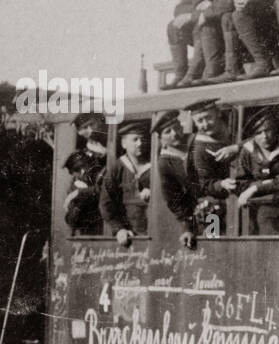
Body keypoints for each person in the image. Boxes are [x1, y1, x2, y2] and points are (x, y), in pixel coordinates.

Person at [186, 99, 239, 234]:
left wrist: (236, 147)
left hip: (237, 204)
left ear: (218, 113)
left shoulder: (234, 127)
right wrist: (221, 184)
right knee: (212, 243)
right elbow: (204, 184)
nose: (204, 124)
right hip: (213, 209)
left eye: (208, 118)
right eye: (199, 121)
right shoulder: (199, 147)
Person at [167, 0, 217, 87]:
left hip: (215, 28)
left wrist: (195, 15)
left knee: (201, 24)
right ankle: (180, 73)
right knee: (172, 26)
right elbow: (179, 9)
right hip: (199, 25)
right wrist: (195, 11)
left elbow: (218, 4)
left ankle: (193, 73)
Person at [233, 110, 279, 235]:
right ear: (253, 136)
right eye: (259, 133)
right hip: (253, 206)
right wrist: (265, 185)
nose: (265, 136)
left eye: (268, 130)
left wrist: (256, 188)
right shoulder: (247, 151)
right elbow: (240, 182)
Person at [100, 121, 151, 246]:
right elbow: (106, 202)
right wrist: (119, 229)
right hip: (129, 235)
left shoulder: (153, 166)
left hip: (152, 231)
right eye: (135, 139)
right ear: (124, 143)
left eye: (142, 139)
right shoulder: (117, 168)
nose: (140, 143)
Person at [152, 109, 197, 246]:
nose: (174, 134)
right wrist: (187, 228)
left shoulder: (195, 142)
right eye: (167, 132)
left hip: (221, 197)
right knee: (214, 239)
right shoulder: (165, 163)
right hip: (204, 211)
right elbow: (174, 199)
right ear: (161, 140)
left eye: (176, 128)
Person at [62, 151, 102, 236]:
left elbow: (103, 191)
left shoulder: (98, 177)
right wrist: (77, 207)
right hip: (85, 232)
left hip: (101, 228)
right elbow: (70, 219)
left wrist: (80, 192)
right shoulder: (74, 184)